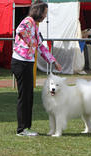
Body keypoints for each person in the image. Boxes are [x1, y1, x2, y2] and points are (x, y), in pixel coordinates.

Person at [11, 0, 62, 136]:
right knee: (24, 97)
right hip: (21, 63)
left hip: (27, 63)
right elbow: (19, 30)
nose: (45, 15)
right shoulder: (28, 22)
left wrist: (53, 61)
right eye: (45, 12)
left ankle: (26, 127)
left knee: (29, 96)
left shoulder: (35, 26)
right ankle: (22, 129)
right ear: (38, 11)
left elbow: (41, 47)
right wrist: (31, 42)